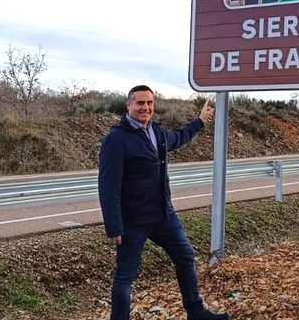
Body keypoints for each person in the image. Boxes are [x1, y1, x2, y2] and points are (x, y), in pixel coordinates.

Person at [98, 85, 230, 320]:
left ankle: (196, 311)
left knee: (186, 257)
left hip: (163, 216)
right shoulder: (116, 139)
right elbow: (108, 186)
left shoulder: (155, 133)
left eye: (149, 103)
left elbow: (177, 138)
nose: (145, 107)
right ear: (128, 105)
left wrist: (199, 121)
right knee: (125, 275)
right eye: (140, 103)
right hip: (133, 221)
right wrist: (114, 225)